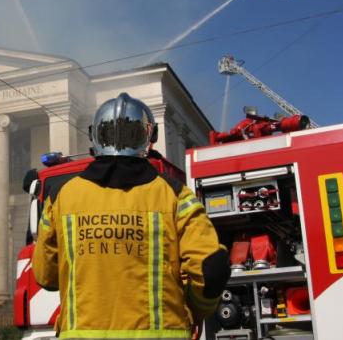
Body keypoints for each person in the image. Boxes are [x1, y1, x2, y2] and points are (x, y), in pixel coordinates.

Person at [32, 93, 230, 339]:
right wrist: (193, 310)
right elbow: (211, 268)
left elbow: (45, 276)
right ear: (150, 137)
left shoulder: (61, 197)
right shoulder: (176, 195)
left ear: (95, 135)